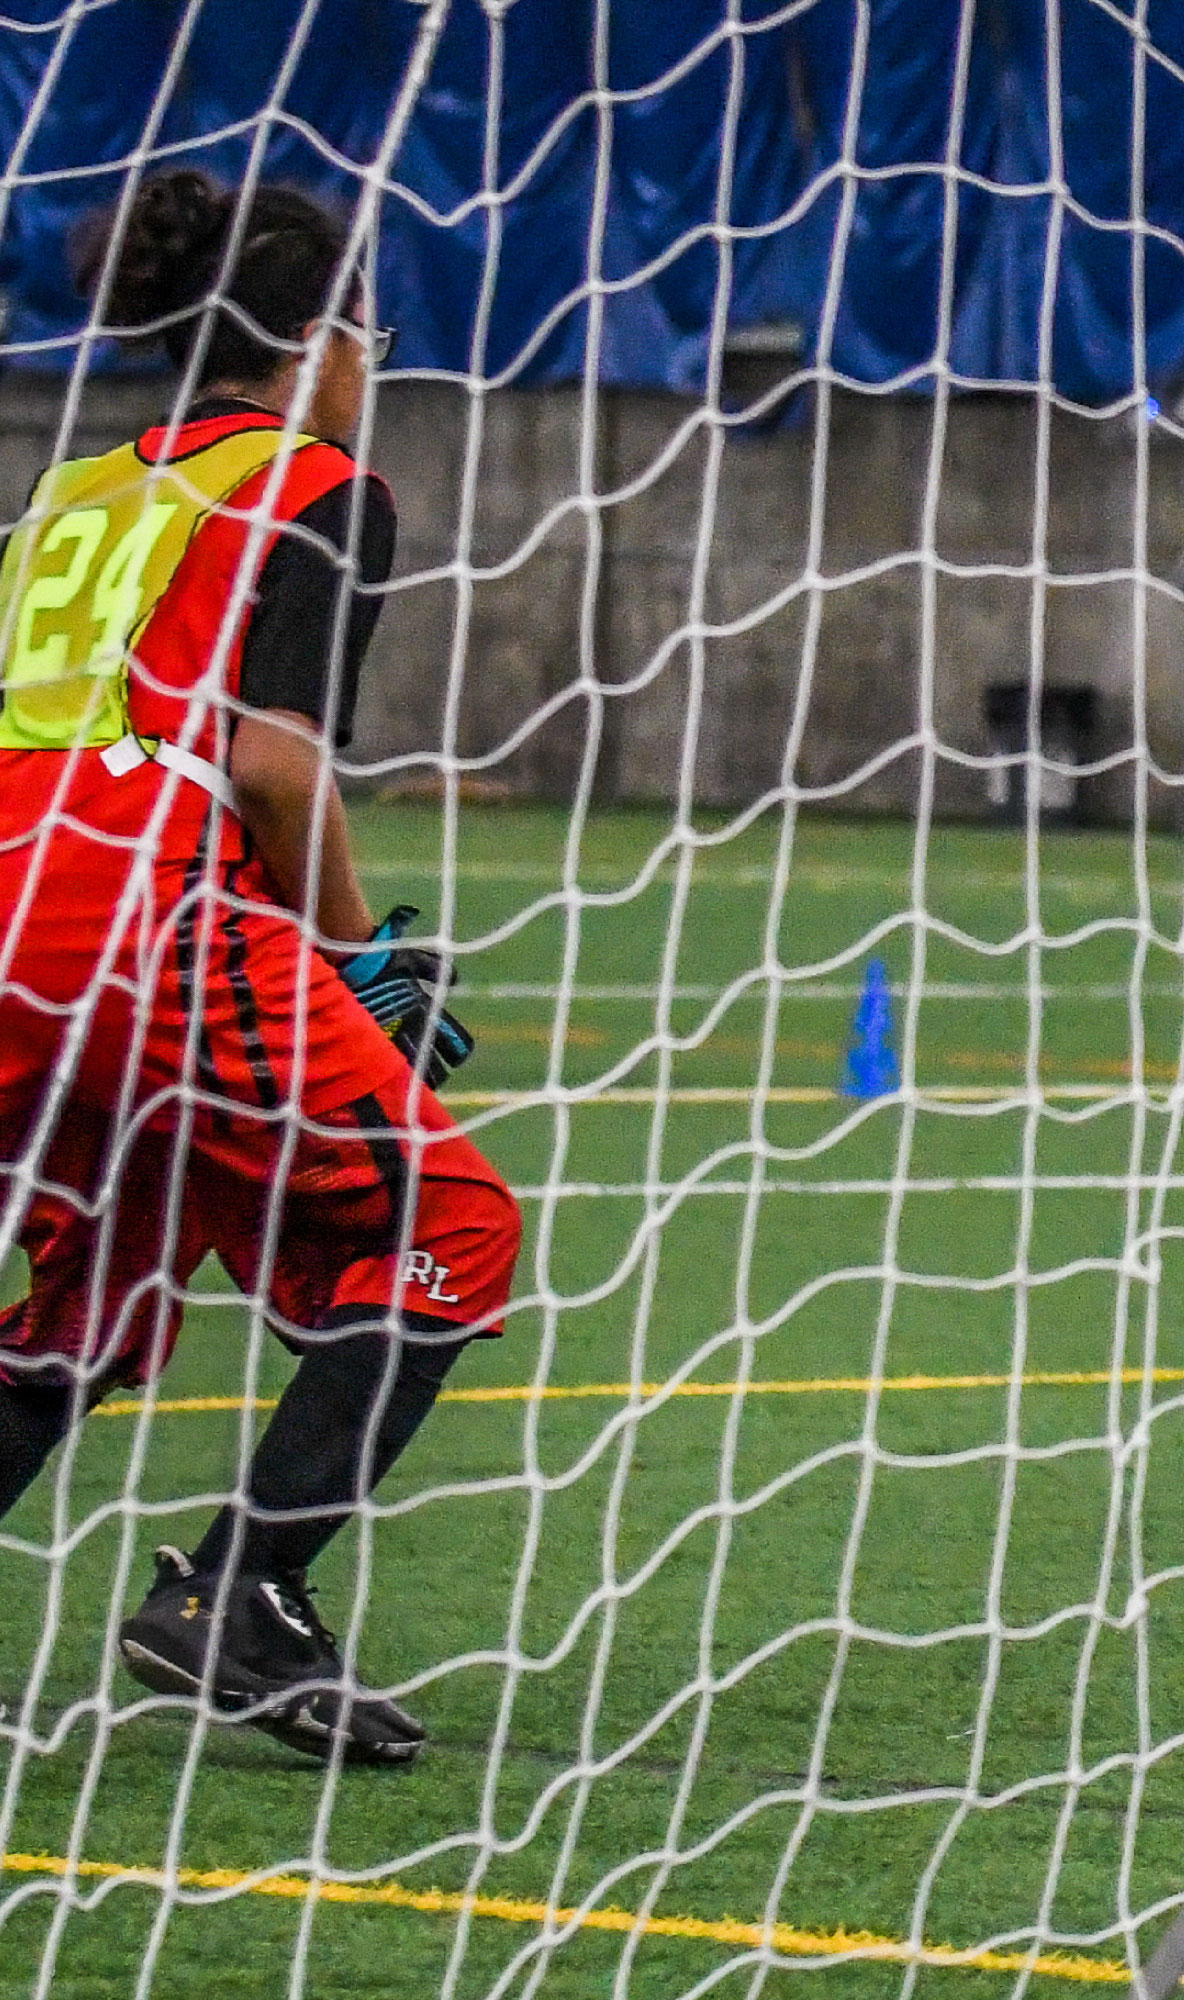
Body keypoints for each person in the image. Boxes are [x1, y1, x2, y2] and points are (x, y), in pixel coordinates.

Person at [0, 168, 515, 1767]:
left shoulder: (78, 492)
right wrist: (357, 960)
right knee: (455, 1221)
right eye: (375, 326)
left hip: (9, 916)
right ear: (321, 337)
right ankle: (240, 1590)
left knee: (107, 1283)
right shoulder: (314, 483)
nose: (377, 356)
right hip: (138, 906)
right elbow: (277, 771)